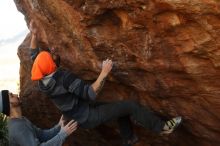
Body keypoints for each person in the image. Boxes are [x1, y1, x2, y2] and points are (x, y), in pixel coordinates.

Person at [29, 20, 182, 146]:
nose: (53, 53)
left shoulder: (41, 81)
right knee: (131, 106)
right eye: (51, 56)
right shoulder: (64, 78)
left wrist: (34, 35)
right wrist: (104, 72)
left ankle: (129, 140)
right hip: (88, 115)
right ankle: (161, 127)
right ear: (51, 66)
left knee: (120, 108)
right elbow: (90, 93)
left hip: (78, 113)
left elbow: (33, 55)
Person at [0, 90, 78, 146]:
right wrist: (63, 134)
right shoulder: (18, 128)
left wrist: (59, 126)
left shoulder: (21, 120)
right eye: (11, 95)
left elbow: (41, 135)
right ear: (9, 104)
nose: (16, 94)